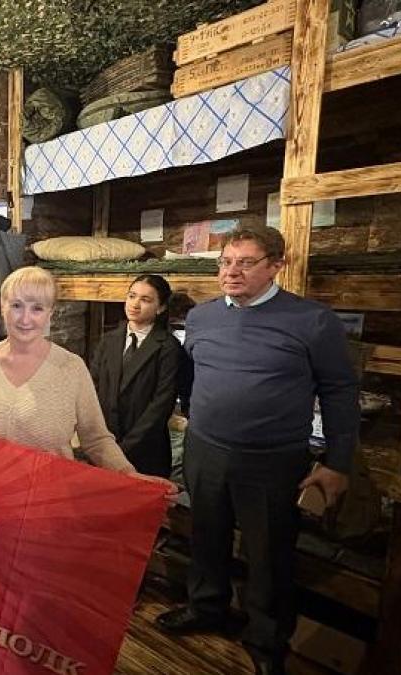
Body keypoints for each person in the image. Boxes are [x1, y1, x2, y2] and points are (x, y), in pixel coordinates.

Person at [155, 226, 359, 675]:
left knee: (269, 554)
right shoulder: (203, 318)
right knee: (206, 535)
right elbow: (191, 376)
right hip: (206, 448)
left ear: (276, 266)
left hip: (272, 459)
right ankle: (206, 607)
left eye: (246, 263)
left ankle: (267, 640)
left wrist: (338, 462)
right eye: (226, 262)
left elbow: (340, 391)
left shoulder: (312, 321)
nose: (231, 272)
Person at [0, 266, 176, 492]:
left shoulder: (71, 369)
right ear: (2, 306)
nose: (25, 318)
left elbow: (96, 438)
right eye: (16, 305)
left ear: (50, 313)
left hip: (46, 506)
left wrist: (128, 474)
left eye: (37, 308)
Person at [90, 274, 185, 478]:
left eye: (145, 299)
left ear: (160, 308)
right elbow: (92, 387)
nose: (135, 304)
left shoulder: (168, 347)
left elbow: (161, 405)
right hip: (105, 445)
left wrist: (124, 449)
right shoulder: (108, 340)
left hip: (146, 451)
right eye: (132, 296)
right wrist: (103, 441)